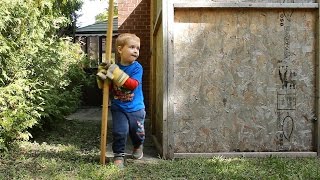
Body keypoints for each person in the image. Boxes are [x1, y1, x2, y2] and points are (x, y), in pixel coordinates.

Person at [97, 33, 145, 168]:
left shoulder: (137, 67)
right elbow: (108, 87)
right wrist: (102, 76)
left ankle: (138, 145)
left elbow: (133, 84)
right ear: (120, 49)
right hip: (119, 107)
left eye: (138, 48)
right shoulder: (114, 68)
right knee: (120, 131)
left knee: (137, 132)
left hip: (136, 108)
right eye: (132, 47)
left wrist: (114, 72)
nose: (136, 51)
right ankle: (119, 155)